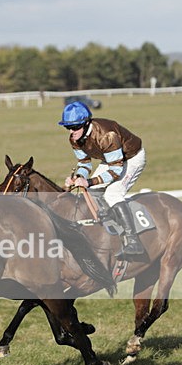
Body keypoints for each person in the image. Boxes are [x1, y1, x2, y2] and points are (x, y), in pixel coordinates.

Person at [59, 101, 147, 258]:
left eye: (75, 127)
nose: (72, 131)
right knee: (91, 192)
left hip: (131, 158)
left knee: (112, 193)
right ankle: (109, 224)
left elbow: (116, 170)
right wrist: (78, 177)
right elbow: (84, 163)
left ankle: (134, 241)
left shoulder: (107, 135)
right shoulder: (74, 139)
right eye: (68, 127)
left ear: (86, 123)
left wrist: (89, 181)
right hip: (111, 160)